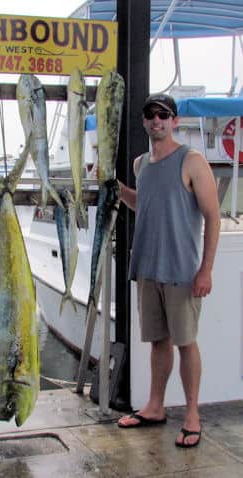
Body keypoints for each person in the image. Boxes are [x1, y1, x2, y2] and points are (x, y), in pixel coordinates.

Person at [117, 93, 220, 448]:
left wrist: (205, 270)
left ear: (175, 121)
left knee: (186, 343)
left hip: (182, 272)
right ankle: (155, 407)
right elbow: (143, 203)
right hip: (147, 268)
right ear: (144, 121)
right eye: (151, 114)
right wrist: (118, 192)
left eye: (164, 114)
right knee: (158, 343)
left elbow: (212, 216)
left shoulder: (192, 161)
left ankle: (192, 415)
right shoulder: (140, 163)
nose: (157, 120)